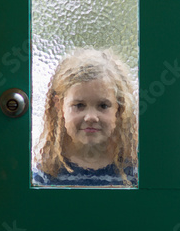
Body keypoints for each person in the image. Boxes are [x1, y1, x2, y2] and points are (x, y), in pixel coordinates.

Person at [33, 48, 138, 187]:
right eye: (79, 105)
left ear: (119, 109)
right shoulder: (46, 175)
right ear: (59, 106)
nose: (91, 117)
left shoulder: (134, 175)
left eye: (103, 106)